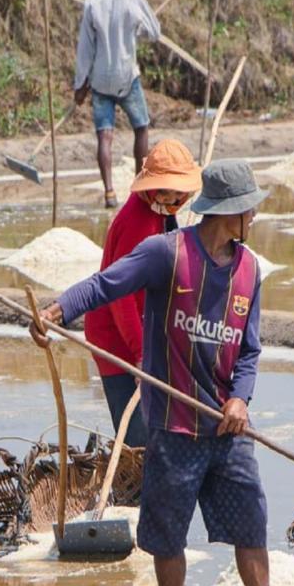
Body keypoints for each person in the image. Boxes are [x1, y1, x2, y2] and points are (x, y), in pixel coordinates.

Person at [33, 160, 294, 586]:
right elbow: (107, 284)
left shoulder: (250, 270)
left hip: (227, 428)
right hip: (174, 423)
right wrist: (57, 311)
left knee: (251, 519)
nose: (255, 218)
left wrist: (240, 400)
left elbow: (248, 350)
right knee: (167, 532)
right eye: (251, 209)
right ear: (231, 213)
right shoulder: (169, 254)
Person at [86, 138, 200, 449]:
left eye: (179, 193)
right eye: (169, 192)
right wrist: (139, 356)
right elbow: (119, 298)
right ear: (154, 188)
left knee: (164, 426)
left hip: (145, 330)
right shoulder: (138, 222)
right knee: (139, 437)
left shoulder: (162, 213)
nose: (176, 198)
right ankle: (134, 490)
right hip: (117, 338)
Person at [74, 0, 161, 209]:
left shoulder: (92, 1)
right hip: (127, 76)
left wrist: (80, 84)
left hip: (100, 79)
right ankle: (141, 188)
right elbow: (154, 32)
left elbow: (86, 48)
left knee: (105, 135)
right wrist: (137, 33)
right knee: (142, 127)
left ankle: (110, 193)